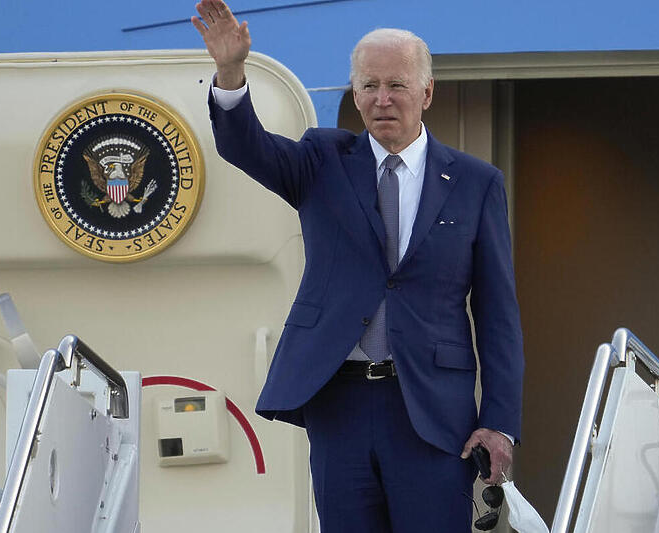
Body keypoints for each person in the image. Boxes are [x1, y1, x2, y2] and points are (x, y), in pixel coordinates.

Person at [193, 1, 524, 531]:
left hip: (433, 413)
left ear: (427, 92)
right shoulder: (322, 159)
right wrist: (231, 74)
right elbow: (244, 146)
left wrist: (501, 422)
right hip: (339, 402)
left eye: (396, 85)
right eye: (369, 86)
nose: (382, 99)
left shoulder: (476, 182)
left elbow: (498, 313)